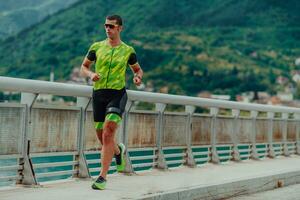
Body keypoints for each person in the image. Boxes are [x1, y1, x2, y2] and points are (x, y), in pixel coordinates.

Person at [80, 14, 143, 190]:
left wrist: (137, 77)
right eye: (106, 26)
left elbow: (137, 70)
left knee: (108, 133)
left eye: (112, 26)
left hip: (117, 94)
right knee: (102, 137)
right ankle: (118, 151)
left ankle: (102, 177)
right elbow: (84, 66)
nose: (108, 29)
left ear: (120, 28)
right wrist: (91, 74)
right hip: (99, 94)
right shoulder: (96, 47)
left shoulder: (128, 50)